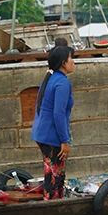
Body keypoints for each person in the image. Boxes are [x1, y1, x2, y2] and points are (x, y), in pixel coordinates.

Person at [31, 46, 75, 200]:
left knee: (53, 172)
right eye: (71, 58)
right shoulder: (62, 82)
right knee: (55, 174)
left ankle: (52, 203)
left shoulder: (50, 78)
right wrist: (64, 141)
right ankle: (52, 206)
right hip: (51, 135)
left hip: (42, 132)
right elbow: (58, 113)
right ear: (63, 62)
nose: (73, 62)